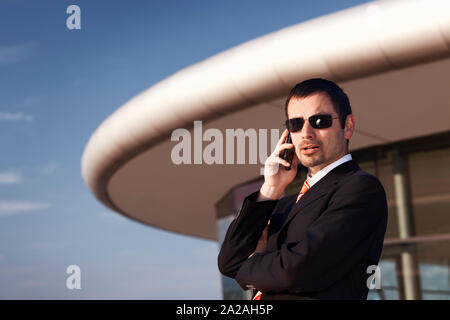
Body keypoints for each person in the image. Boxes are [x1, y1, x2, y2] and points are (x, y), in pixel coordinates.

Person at [218, 78, 388, 300]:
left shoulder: (360, 189)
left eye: (319, 121)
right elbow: (228, 260)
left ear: (348, 126)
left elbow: (296, 272)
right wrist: (271, 189)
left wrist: (249, 265)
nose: (306, 133)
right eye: (295, 124)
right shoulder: (282, 204)